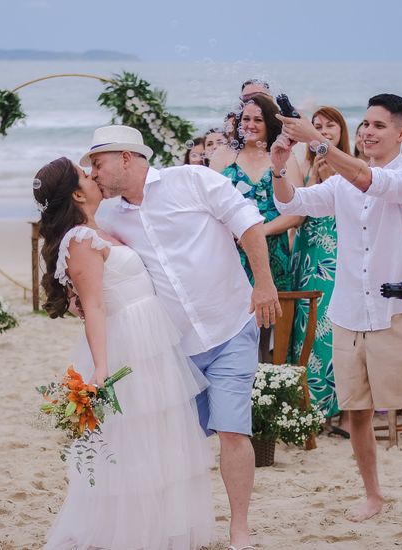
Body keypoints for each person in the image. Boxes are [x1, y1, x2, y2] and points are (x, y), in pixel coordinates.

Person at [85, 125, 279, 548]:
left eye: (97, 163)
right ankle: (177, 526)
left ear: (125, 157)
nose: (94, 173)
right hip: (171, 346)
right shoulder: (107, 216)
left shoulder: (193, 180)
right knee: (173, 442)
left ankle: (239, 528)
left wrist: (263, 283)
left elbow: (248, 224)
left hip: (230, 325)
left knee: (233, 431)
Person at [272, 94, 402, 524]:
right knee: (355, 410)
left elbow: (370, 182)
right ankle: (373, 494)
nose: (368, 132)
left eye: (378, 126)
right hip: (347, 311)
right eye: (365, 126)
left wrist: (319, 144)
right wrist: (280, 165)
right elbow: (292, 203)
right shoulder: (340, 181)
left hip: (394, 312)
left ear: (401, 132)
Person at [36, 156, 215, 550]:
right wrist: (101, 368)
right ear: (77, 193)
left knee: (157, 438)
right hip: (126, 345)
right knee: (133, 441)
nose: (94, 175)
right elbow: (95, 306)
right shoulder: (80, 240)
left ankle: (155, 528)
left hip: (150, 338)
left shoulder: (98, 228)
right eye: (86, 174)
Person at [208, 95, 303, 332]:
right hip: (231, 250)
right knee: (233, 324)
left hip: (273, 253)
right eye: (245, 119)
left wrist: (259, 231)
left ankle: (271, 370)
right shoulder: (223, 155)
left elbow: (297, 212)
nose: (250, 125)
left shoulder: (283, 157)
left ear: (269, 123)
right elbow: (208, 204)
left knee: (271, 324)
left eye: (258, 120)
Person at [287, 106, 349, 429]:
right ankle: (306, 409)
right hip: (307, 254)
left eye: (330, 126)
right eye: (317, 126)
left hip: (334, 256)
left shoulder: (352, 168)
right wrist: (312, 176)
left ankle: (332, 408)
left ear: (341, 131)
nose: (324, 131)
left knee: (327, 328)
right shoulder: (303, 165)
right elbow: (296, 209)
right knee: (303, 328)